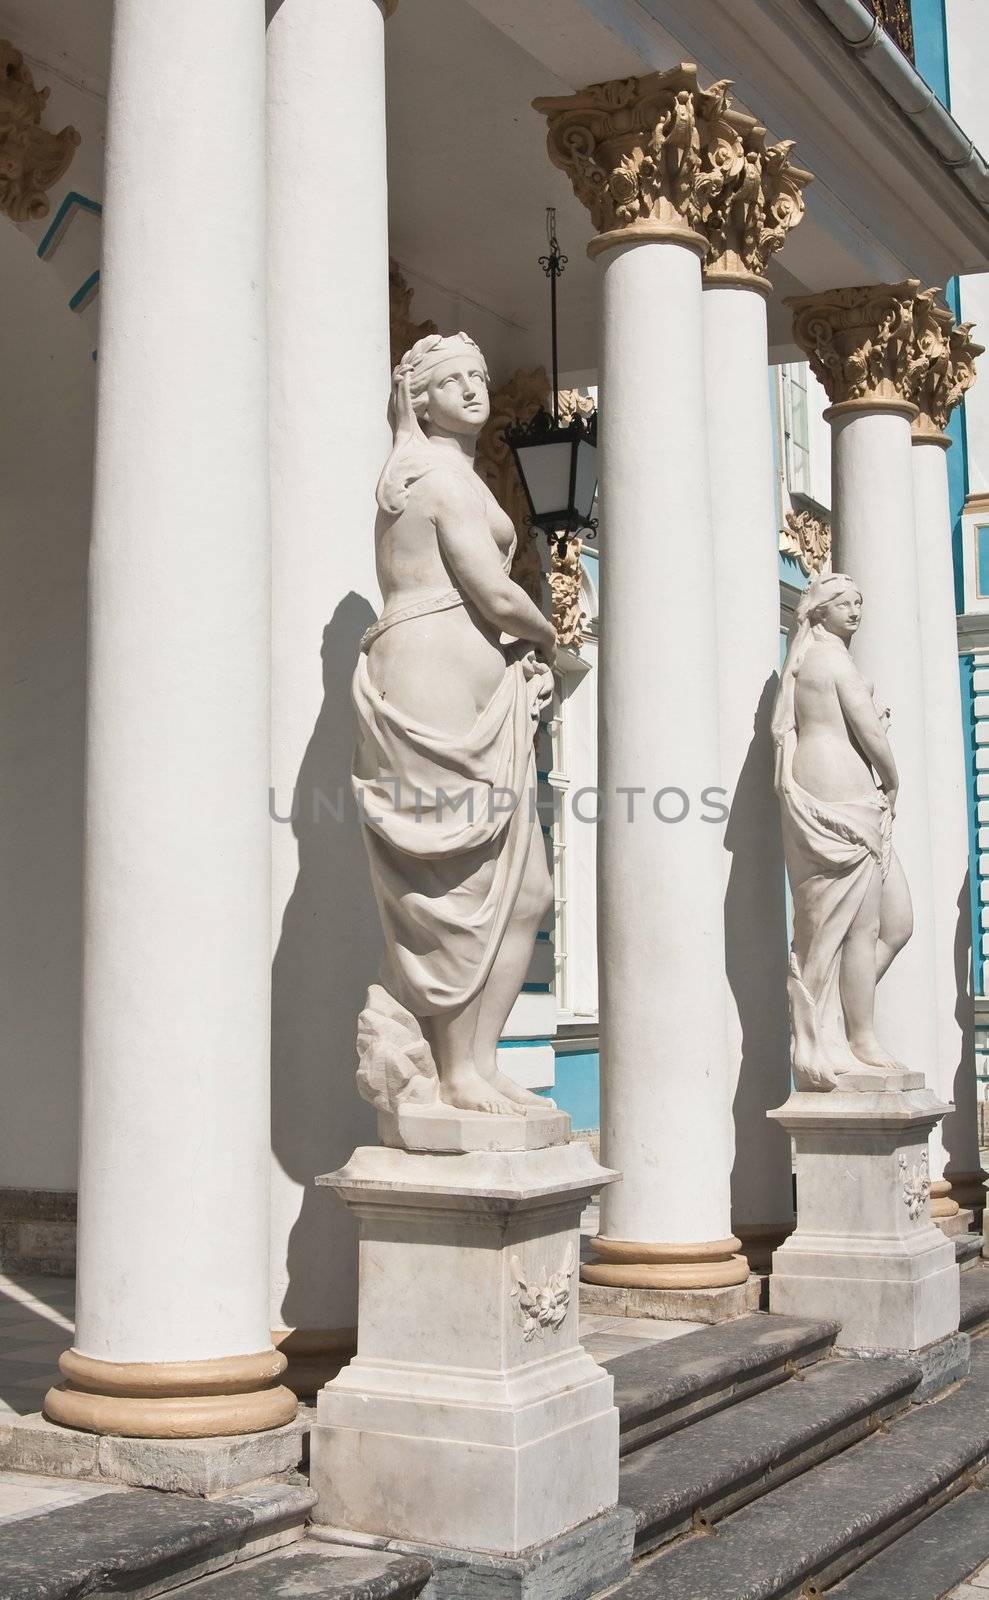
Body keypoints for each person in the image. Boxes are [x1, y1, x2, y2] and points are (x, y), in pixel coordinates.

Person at [352, 332, 557, 1116]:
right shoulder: (431, 476)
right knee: (454, 886)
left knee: (525, 890)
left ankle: (476, 1060)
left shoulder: (459, 474)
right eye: (453, 380)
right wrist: (545, 638)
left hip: (479, 689)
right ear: (419, 397)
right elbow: (493, 592)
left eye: (479, 375)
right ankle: (452, 1070)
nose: (474, 389)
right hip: (429, 680)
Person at [771, 572, 913, 1090]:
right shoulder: (830, 658)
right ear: (822, 611)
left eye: (859, 601)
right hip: (844, 795)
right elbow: (866, 729)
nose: (855, 610)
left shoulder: (812, 658)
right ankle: (859, 1037)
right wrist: (894, 777)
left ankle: (827, 1016)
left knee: (893, 922)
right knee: (860, 928)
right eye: (844, 603)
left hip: (842, 792)